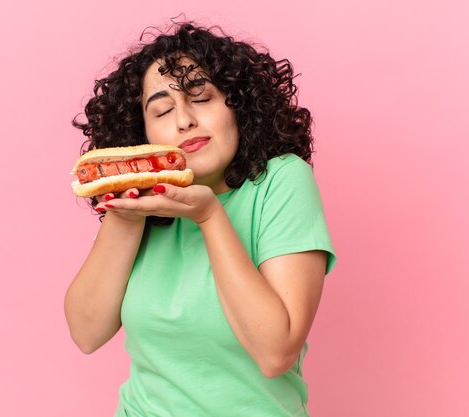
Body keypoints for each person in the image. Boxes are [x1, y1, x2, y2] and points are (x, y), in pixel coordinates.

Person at [64, 21, 337, 417]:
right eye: (161, 110)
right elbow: (87, 334)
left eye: (202, 97)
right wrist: (123, 217)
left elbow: (275, 352)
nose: (184, 120)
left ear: (238, 103)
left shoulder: (281, 181)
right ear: (143, 133)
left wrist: (209, 217)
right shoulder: (142, 205)